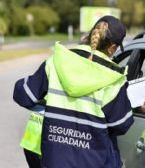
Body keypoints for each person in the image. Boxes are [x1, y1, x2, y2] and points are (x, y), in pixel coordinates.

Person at [13, 15, 134, 168]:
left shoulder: (57, 61)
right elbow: (121, 125)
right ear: (112, 48)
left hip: (54, 161)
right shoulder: (113, 79)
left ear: (91, 34)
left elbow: (23, 95)